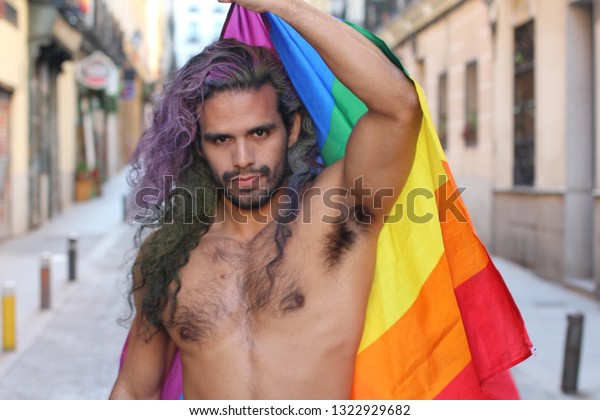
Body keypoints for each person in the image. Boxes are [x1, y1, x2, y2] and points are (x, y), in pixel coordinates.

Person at [110, 0, 421, 400]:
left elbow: (399, 106)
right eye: (222, 139)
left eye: (259, 133)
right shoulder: (166, 260)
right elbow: (134, 391)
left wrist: (285, 6)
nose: (243, 160)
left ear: (291, 130)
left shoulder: (338, 213)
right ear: (198, 146)